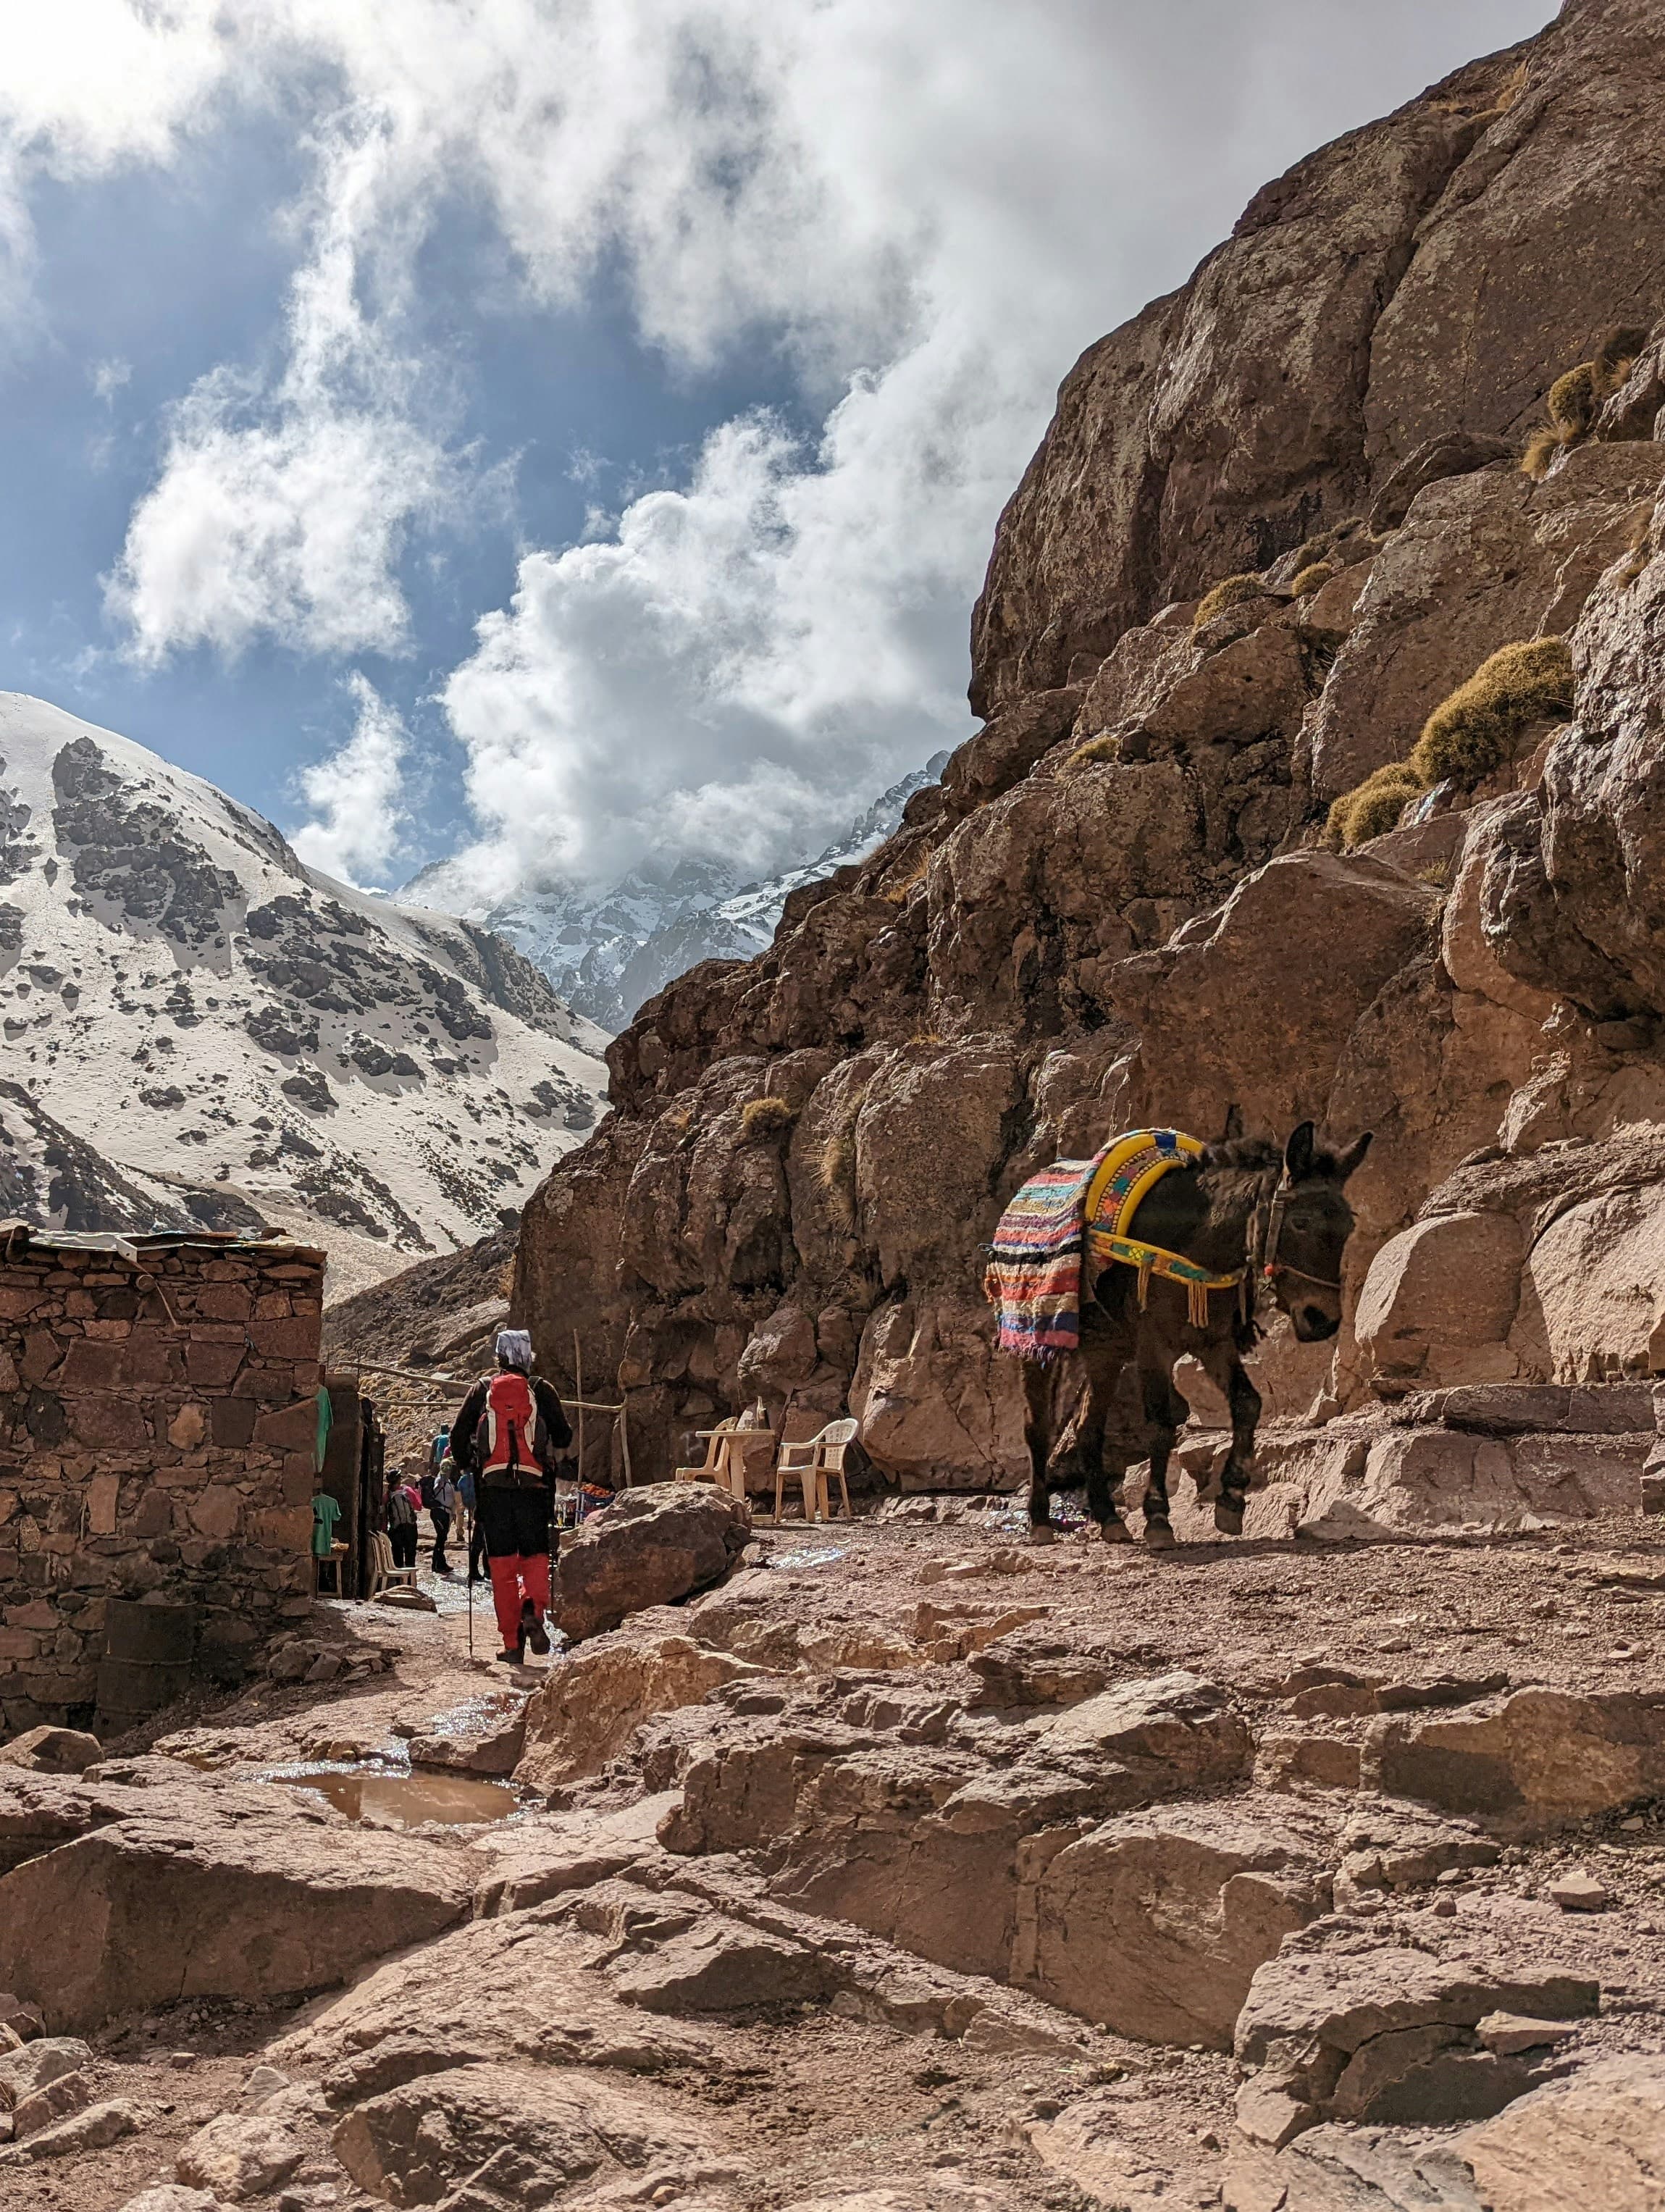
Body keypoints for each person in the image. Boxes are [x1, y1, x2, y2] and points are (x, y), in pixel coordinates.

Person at [450, 1328, 571, 1664]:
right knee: (535, 1556)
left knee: (501, 1567)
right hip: (535, 1491)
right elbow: (564, 1433)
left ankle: (512, 1644)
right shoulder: (541, 1390)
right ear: (527, 1357)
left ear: (500, 1358)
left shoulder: (482, 1389)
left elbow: (459, 1436)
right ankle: (533, 1608)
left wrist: (469, 1464)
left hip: (494, 1492)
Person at [419, 1448, 454, 1575]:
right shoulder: (441, 1479)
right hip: (439, 1512)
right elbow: (437, 1488)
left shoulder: (448, 1480)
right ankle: (436, 1564)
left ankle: (441, 1562)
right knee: (441, 1537)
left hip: (445, 1512)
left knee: (442, 1538)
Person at [385, 1473, 419, 1570]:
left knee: (398, 1556)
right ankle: (409, 1580)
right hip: (409, 1528)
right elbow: (417, 1505)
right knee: (410, 1556)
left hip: (396, 1529)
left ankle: (400, 1580)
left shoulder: (387, 1496)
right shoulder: (406, 1492)